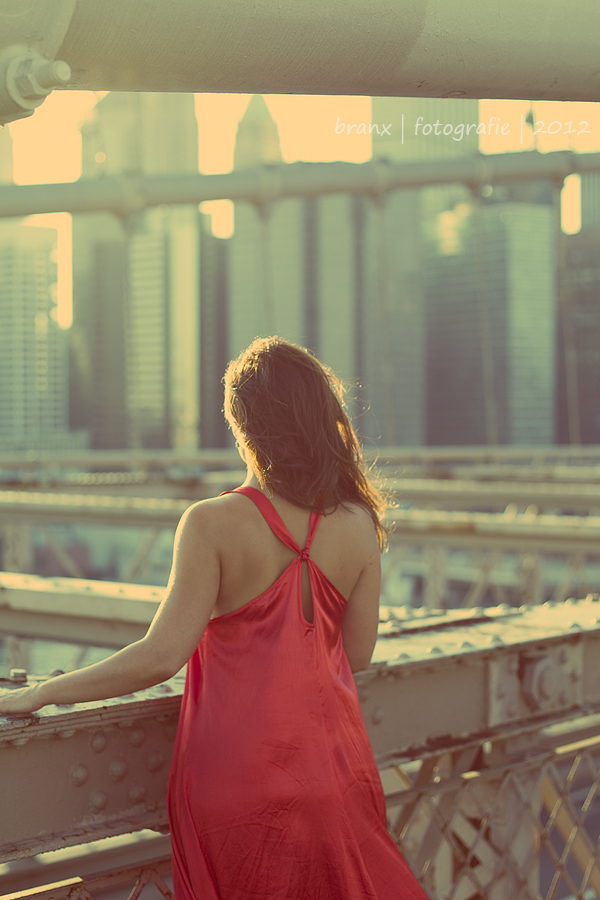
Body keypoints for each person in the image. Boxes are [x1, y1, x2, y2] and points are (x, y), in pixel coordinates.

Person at [0, 337, 428, 900]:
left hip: (234, 782)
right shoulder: (357, 524)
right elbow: (360, 654)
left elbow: (161, 655)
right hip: (331, 770)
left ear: (241, 427)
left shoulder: (211, 523)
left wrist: (47, 692)